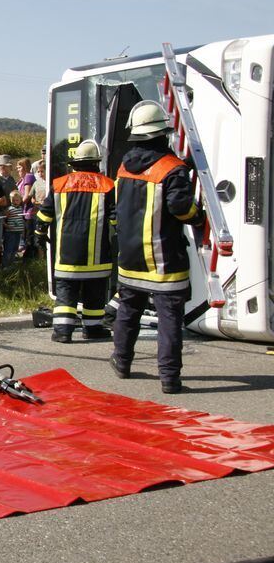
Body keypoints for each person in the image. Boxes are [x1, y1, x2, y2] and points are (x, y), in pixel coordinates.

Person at [110, 101, 204, 394]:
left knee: (128, 311)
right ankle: (169, 378)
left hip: (130, 258)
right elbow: (180, 207)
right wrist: (198, 215)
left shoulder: (124, 166)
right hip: (164, 260)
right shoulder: (172, 168)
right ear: (163, 133)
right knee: (169, 320)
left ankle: (122, 362)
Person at [35, 140, 114, 345]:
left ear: (75, 163)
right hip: (97, 256)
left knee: (66, 295)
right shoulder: (107, 185)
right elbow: (115, 218)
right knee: (94, 296)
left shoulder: (60, 184)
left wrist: (39, 234)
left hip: (67, 254)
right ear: (96, 163)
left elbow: (45, 214)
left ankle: (63, 331)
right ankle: (93, 329)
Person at [4, 191, 25, 266]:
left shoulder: (21, 209)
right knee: (9, 248)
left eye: (17, 200)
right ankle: (5, 264)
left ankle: (11, 264)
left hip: (18, 232)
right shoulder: (9, 209)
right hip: (10, 232)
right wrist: (6, 226)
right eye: (13, 200)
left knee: (15, 249)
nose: (15, 202)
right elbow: (3, 219)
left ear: (20, 200)